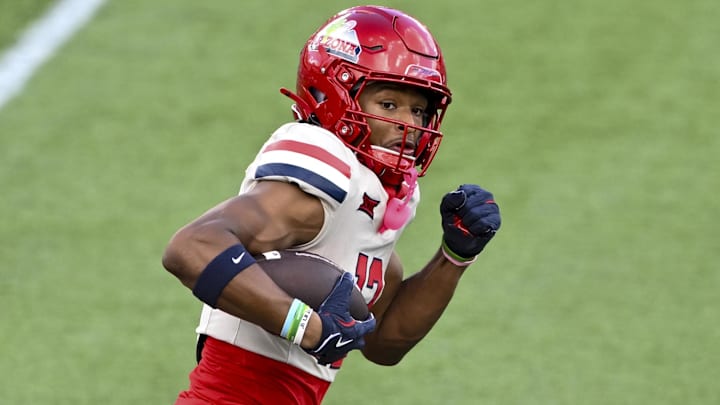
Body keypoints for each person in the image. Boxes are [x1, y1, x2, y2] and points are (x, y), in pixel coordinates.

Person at [162, 5, 501, 404]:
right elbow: (192, 248)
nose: (407, 124)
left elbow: (383, 344)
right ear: (334, 97)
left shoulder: (372, 198)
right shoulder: (322, 172)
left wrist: (455, 256)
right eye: (389, 105)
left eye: (419, 110)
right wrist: (306, 326)